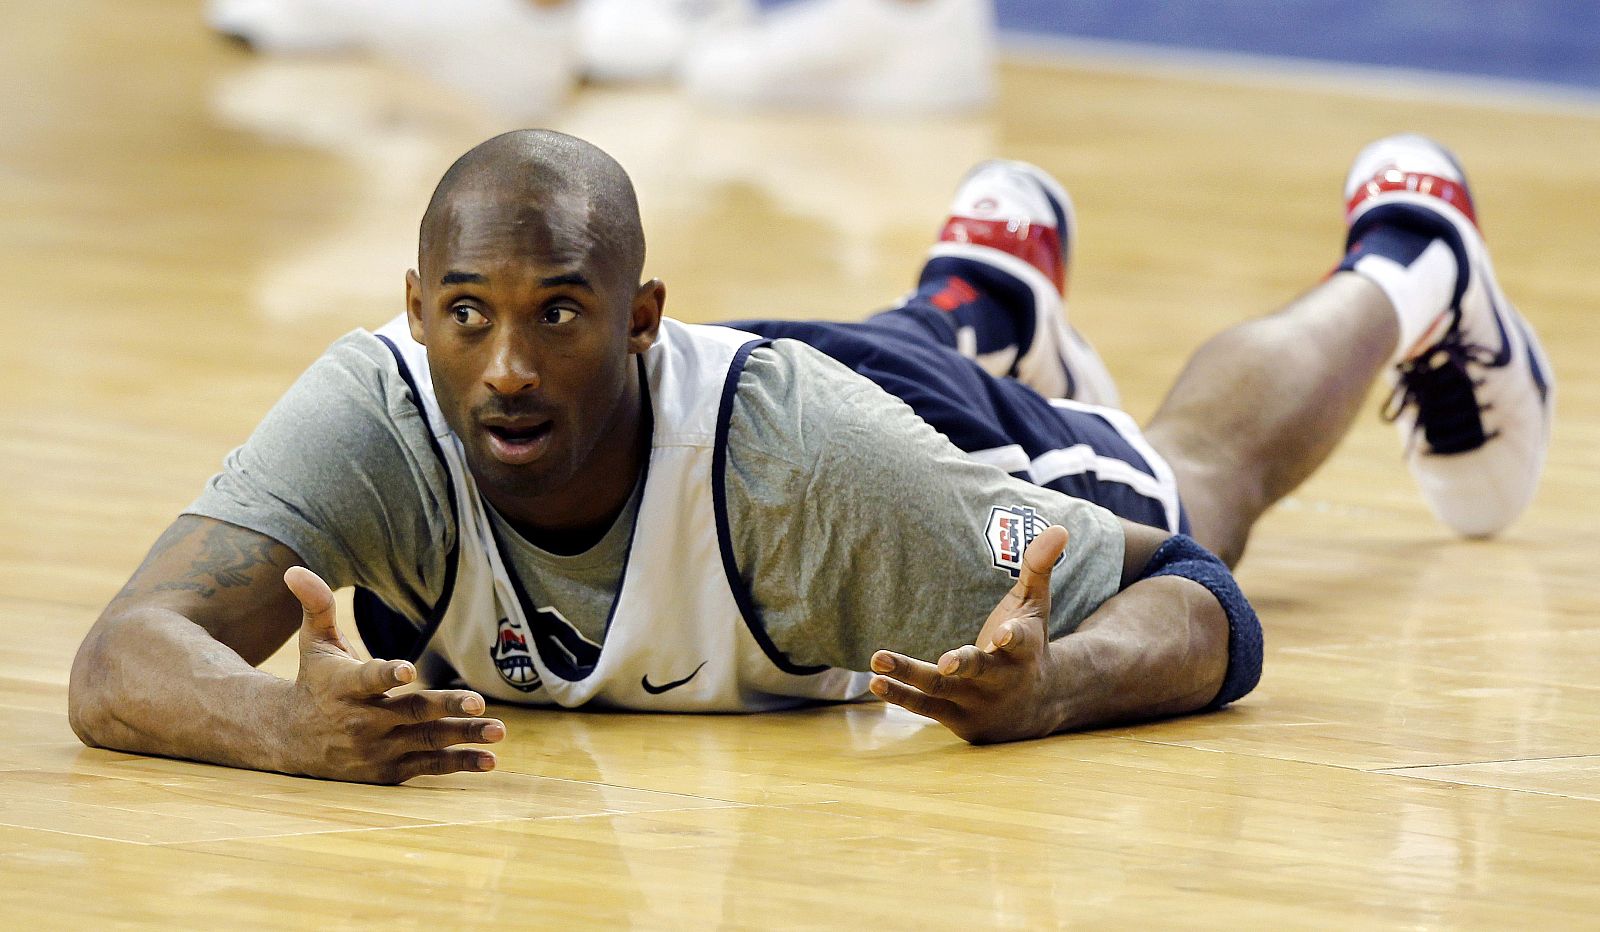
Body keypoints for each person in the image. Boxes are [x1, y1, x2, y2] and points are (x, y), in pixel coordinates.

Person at [68, 129, 1551, 784]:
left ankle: (1413, 257)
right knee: (903, 355)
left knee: (1191, 474)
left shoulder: (818, 489)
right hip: (805, 400)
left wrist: (1056, 690)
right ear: (416, 314)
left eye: (558, 316)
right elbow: (124, 651)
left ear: (640, 321)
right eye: (468, 317)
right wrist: (285, 733)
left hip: (885, 441)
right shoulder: (379, 419)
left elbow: (1203, 596)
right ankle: (981, 291)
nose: (507, 366)